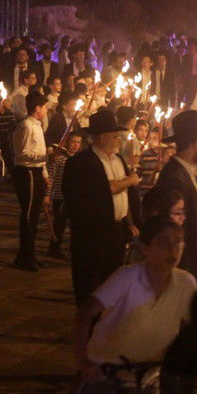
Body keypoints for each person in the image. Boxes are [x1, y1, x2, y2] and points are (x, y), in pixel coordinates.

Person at [67, 216, 197, 394]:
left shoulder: (186, 283)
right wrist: (84, 361)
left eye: (178, 243)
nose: (173, 250)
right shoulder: (127, 277)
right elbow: (85, 313)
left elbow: (196, 326)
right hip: (105, 368)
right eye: (163, 243)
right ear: (145, 248)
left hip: (149, 372)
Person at [63, 110, 142, 304]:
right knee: (90, 284)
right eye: (115, 137)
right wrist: (130, 180)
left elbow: (124, 195)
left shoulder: (119, 160)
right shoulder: (81, 162)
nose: (119, 141)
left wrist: (130, 222)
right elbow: (103, 189)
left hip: (116, 231)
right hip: (92, 235)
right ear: (102, 137)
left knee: (113, 281)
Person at [154, 110, 197, 284]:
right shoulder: (175, 177)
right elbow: (172, 229)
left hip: (196, 268)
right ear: (195, 143)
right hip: (186, 270)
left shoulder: (189, 173)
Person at [12, 91, 49, 271]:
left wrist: (45, 174)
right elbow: (23, 153)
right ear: (37, 108)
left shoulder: (37, 125)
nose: (46, 111)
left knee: (34, 215)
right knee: (28, 215)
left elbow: (40, 153)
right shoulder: (25, 126)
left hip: (37, 172)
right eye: (44, 108)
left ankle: (28, 254)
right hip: (26, 173)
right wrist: (46, 154)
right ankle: (25, 256)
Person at [45, 130, 83, 259]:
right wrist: (47, 195)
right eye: (73, 142)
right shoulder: (58, 158)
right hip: (60, 197)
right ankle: (54, 248)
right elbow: (51, 177)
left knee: (75, 225)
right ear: (67, 142)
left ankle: (74, 249)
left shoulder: (79, 160)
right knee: (59, 224)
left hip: (75, 197)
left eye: (78, 142)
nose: (75, 145)